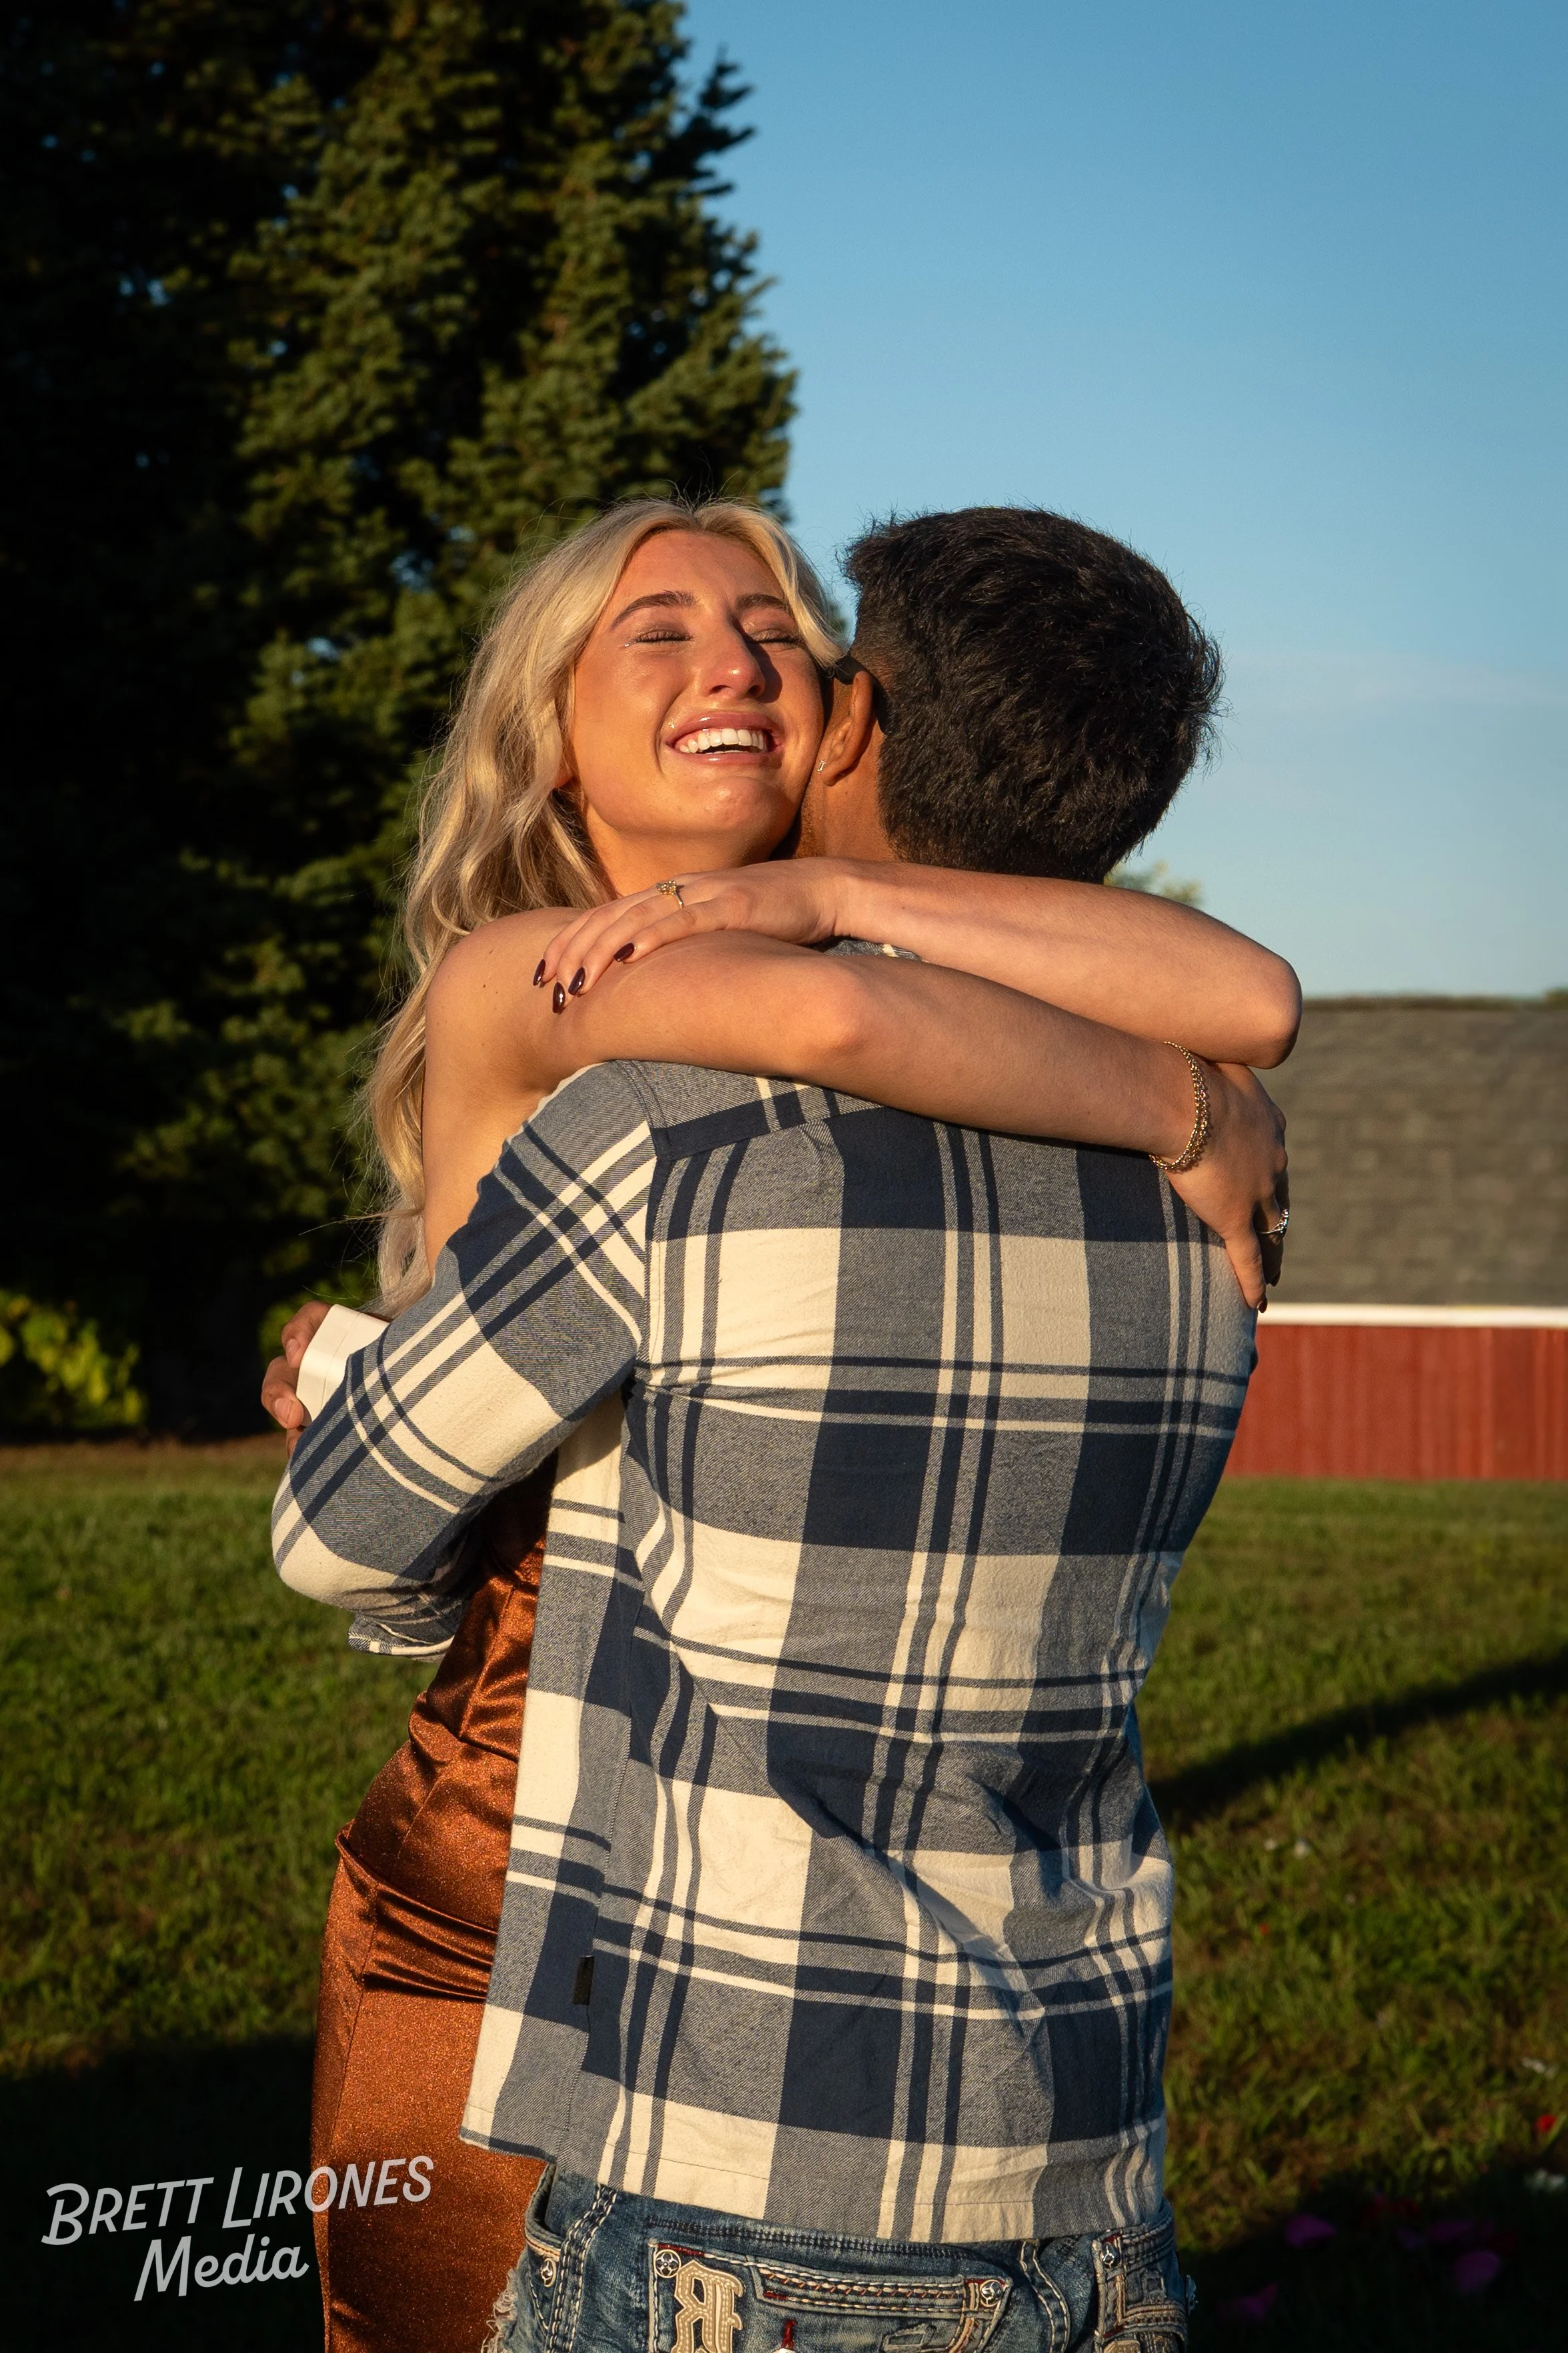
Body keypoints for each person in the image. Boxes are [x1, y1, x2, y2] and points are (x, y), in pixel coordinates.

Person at [269, 500, 1292, 2352]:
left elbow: (1249, 995)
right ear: (544, 727)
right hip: (516, 1819)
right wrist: (1180, 1107)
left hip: (680, 1838)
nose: (735, 660)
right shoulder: (545, 969)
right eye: (652, 633)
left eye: (772, 627)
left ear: (844, 708)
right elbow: (851, 1010)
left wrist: (1180, 1071)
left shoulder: (849, 984)